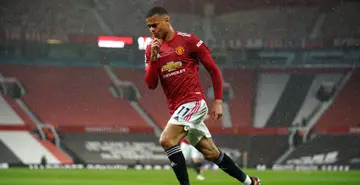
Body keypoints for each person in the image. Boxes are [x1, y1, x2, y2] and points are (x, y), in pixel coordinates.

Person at [144, 7, 261, 185]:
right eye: (149, 27)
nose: (152, 30)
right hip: (178, 108)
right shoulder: (151, 49)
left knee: (167, 140)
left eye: (155, 25)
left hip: (194, 102)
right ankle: (250, 182)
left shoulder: (189, 41)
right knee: (211, 153)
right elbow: (151, 85)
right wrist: (153, 58)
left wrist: (218, 101)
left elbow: (213, 70)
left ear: (167, 20)